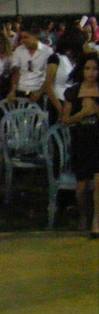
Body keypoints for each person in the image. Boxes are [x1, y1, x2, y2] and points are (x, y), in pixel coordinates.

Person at [61, 54, 99, 238]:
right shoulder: (73, 91)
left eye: (95, 69)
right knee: (82, 187)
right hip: (81, 141)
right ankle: (84, 214)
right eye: (88, 68)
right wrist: (83, 113)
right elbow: (65, 120)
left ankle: (96, 221)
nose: (91, 73)